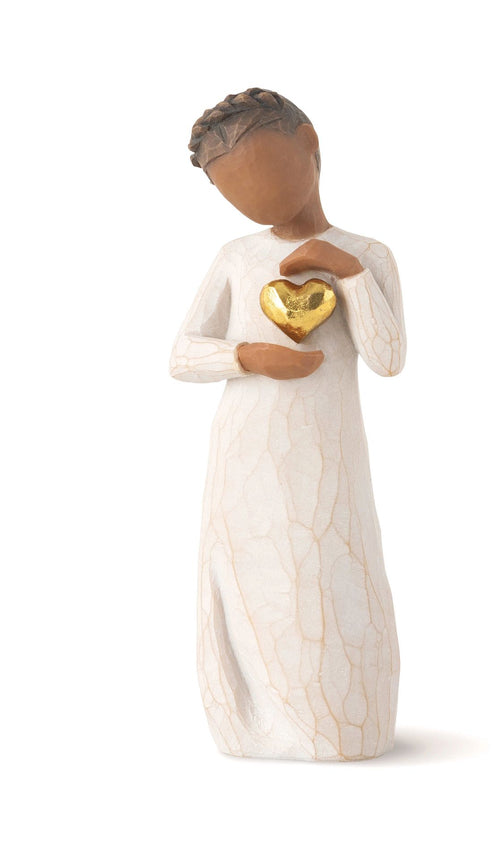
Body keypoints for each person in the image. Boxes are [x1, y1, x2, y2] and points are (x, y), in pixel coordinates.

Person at [170, 88, 406, 760]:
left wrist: (348, 273)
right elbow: (182, 354)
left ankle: (343, 723)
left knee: (331, 575)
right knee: (252, 579)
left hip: (327, 455)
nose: (257, 202)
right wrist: (249, 357)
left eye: (267, 175)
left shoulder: (369, 253)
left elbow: (388, 358)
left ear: (309, 146)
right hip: (245, 452)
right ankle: (253, 718)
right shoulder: (236, 258)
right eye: (235, 193)